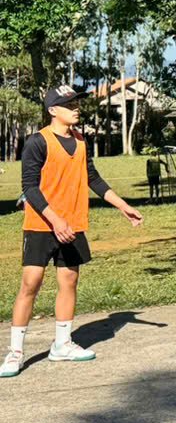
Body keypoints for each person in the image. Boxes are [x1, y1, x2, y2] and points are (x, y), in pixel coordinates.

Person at [2, 86, 143, 379]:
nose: (76, 108)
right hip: (42, 224)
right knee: (31, 284)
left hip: (73, 223)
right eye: (69, 104)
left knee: (69, 281)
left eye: (77, 103)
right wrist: (55, 220)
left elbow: (93, 178)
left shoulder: (80, 141)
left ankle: (62, 344)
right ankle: (15, 351)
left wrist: (123, 205)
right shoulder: (37, 142)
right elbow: (29, 188)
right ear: (53, 110)